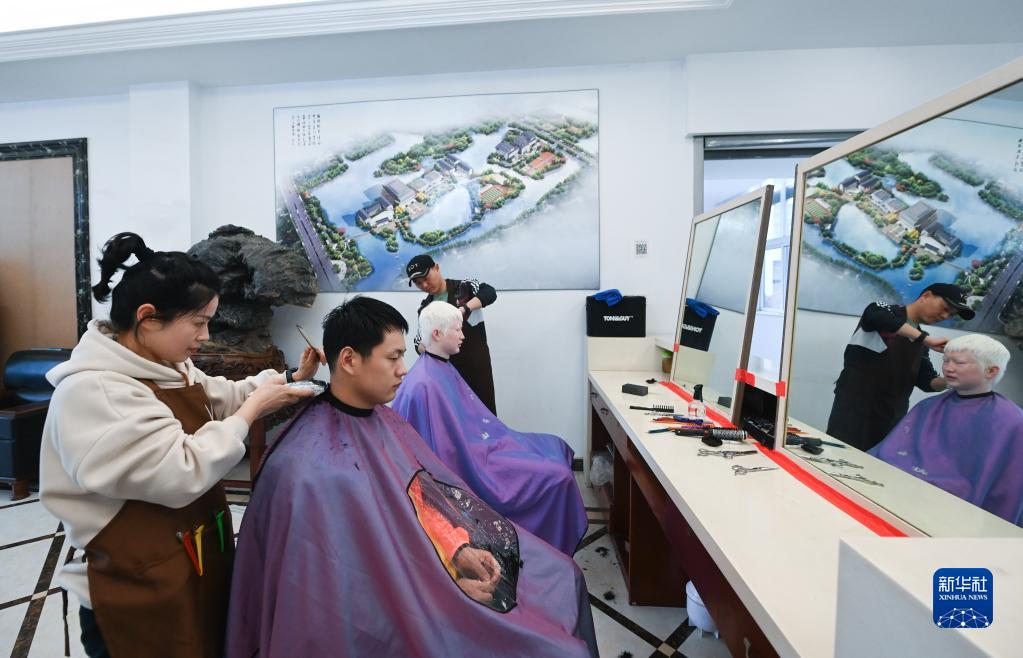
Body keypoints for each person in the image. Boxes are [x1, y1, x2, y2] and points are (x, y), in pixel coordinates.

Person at [226, 297, 597, 657]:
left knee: (563, 575)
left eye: (403, 355)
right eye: (393, 358)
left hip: (426, 577)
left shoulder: (383, 421)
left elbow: (417, 502)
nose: (404, 369)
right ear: (349, 360)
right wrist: (449, 592)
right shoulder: (307, 471)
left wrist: (459, 549)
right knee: (559, 647)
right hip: (396, 617)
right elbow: (343, 593)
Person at [39, 232, 322, 658]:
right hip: (137, 587)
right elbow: (179, 471)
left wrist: (288, 379)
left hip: (190, 562)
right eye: (198, 322)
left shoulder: (169, 364)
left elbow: (222, 396)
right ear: (148, 317)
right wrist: (252, 413)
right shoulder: (95, 391)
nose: (206, 336)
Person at [393, 301, 587, 555]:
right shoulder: (423, 385)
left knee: (555, 447)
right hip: (474, 462)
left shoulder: (440, 367)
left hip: (484, 444)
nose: (463, 336)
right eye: (457, 330)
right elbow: (437, 453)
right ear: (437, 334)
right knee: (557, 475)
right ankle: (545, 547)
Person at [870, 334, 1023, 526]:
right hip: (898, 494)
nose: (948, 368)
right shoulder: (929, 406)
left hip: (955, 514)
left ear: (991, 371)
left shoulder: (1013, 422)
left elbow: (1007, 493)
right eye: (946, 361)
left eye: (959, 363)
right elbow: (888, 453)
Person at [826, 283, 975, 451]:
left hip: (890, 419)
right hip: (854, 412)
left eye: (951, 314)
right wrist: (925, 339)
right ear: (926, 295)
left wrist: (951, 380)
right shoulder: (881, 310)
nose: (945, 315)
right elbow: (879, 318)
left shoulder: (921, 342)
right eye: (945, 308)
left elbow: (926, 381)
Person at [407, 254, 498, 414]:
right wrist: (425, 346)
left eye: (426, 278)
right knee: (454, 417)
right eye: (418, 283)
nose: (424, 285)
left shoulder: (464, 288)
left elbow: (490, 292)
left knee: (484, 413)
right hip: (447, 374)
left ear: (436, 268)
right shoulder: (426, 308)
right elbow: (418, 342)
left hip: (476, 367)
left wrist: (464, 309)